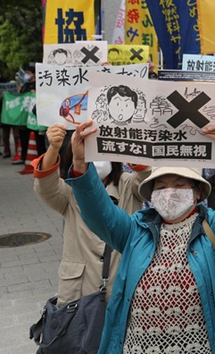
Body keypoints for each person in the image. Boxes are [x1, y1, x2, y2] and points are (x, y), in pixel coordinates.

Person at [65, 119, 215, 354]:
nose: (170, 192)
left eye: (180, 184)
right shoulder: (135, 230)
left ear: (197, 192)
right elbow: (99, 214)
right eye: (161, 186)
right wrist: (80, 164)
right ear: (151, 194)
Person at [33, 123, 149, 306]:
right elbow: (46, 186)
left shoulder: (127, 184)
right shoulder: (71, 190)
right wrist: (54, 148)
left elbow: (148, 181)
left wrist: (133, 149)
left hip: (124, 287)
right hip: (79, 293)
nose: (95, 158)